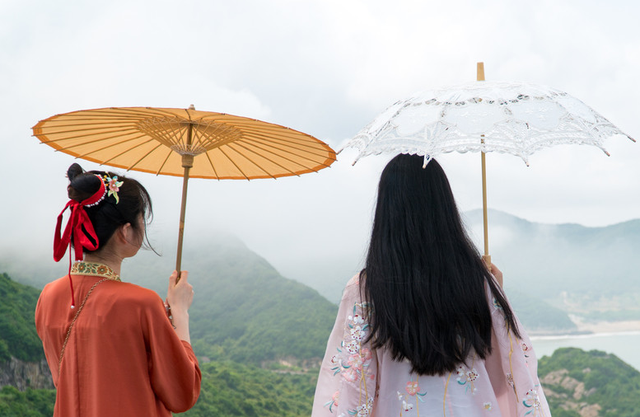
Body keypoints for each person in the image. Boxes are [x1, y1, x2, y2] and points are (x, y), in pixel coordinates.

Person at [312, 154, 551, 417]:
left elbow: (355, 390)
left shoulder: (365, 290)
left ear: (386, 210)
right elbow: (506, 380)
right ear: (444, 206)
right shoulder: (478, 283)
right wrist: (494, 294)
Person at [35, 163, 201, 417]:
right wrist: (179, 313)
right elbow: (182, 393)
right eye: (141, 219)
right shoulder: (141, 303)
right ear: (125, 231)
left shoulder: (49, 296)